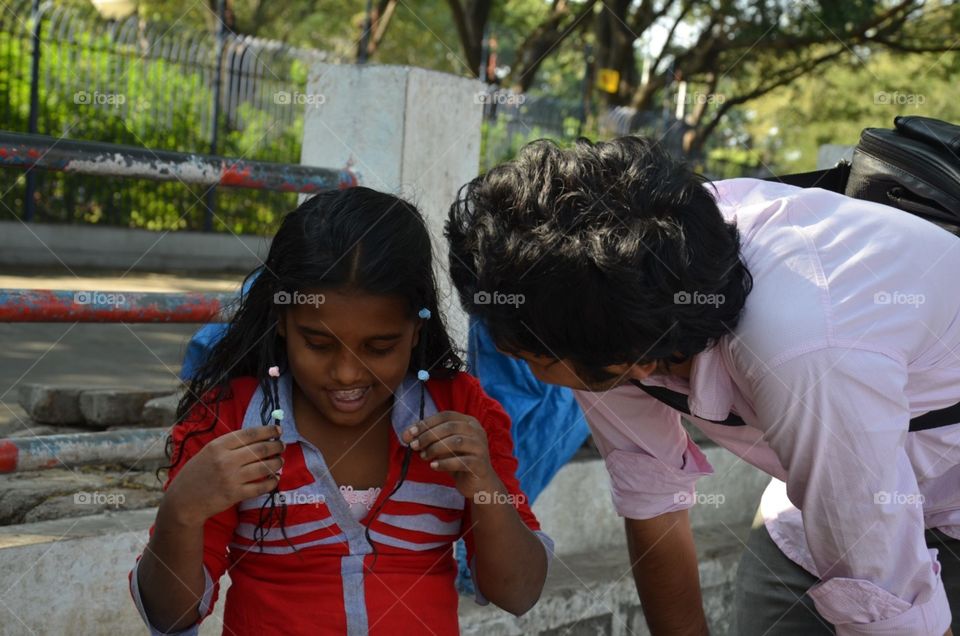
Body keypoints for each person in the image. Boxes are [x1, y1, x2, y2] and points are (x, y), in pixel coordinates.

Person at [446, 136, 960, 635]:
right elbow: (652, 496)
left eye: (529, 357)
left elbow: (891, 607)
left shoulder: (799, 347)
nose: (507, 354)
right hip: (826, 504)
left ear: (638, 360)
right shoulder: (610, 283)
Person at [128, 187, 552, 635]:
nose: (347, 374)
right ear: (283, 322)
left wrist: (484, 486)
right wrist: (180, 511)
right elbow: (169, 615)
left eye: (380, 346)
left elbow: (518, 592)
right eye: (318, 343)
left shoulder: (462, 411)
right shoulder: (231, 417)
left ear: (416, 330)